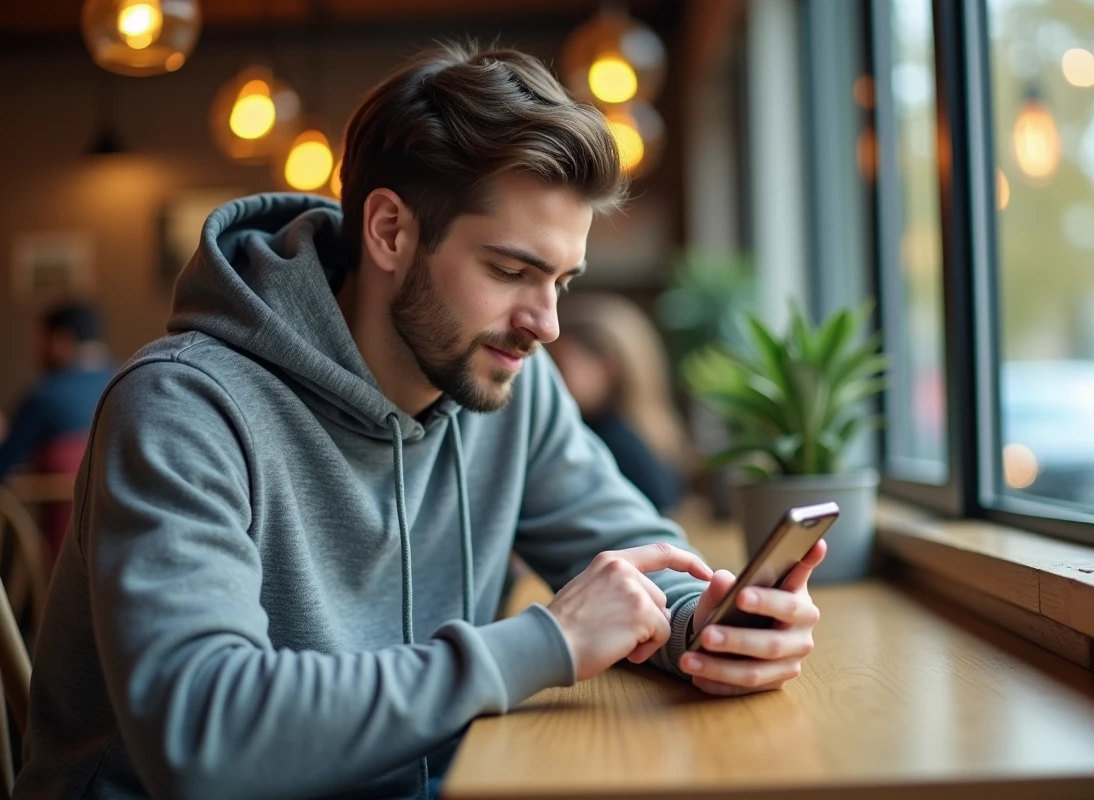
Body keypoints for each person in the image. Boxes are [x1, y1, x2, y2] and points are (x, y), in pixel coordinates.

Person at [16, 43, 825, 800]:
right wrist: (542, 644)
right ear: (391, 231)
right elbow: (201, 734)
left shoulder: (509, 383)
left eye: (563, 281)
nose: (545, 323)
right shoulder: (183, 407)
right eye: (512, 270)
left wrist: (711, 629)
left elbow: (644, 558)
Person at [548, 292, 689, 512]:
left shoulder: (610, 443)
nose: (550, 378)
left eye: (560, 365)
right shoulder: (650, 435)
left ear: (606, 367)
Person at [0, 301, 114, 557]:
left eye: (40, 340)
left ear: (62, 340)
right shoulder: (128, 384)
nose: (35, 350)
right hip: (122, 540)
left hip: (62, 552)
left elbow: (3, 466)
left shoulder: (46, 396)